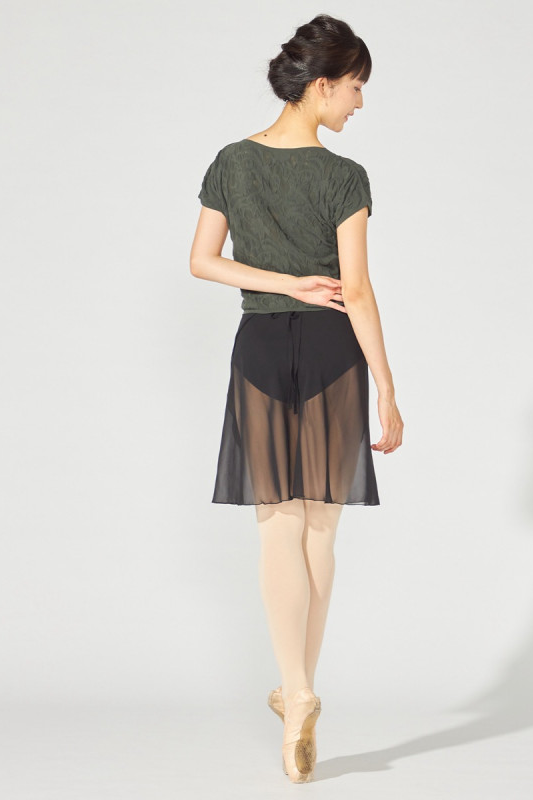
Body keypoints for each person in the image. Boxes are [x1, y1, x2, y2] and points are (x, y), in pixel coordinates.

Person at [189, 13, 403, 784]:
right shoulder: (344, 177)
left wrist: (280, 282)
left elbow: (203, 261)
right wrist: (387, 387)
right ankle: (302, 692)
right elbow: (358, 290)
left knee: (277, 528)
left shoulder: (231, 162)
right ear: (323, 85)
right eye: (356, 88)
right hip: (332, 352)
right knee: (319, 534)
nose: (359, 103)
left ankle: (296, 691)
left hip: (259, 347)